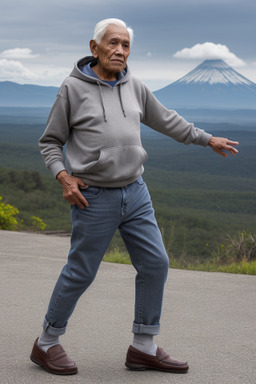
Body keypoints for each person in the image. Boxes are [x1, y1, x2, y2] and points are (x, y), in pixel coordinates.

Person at [30, 18, 239, 375]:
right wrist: (64, 177)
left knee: (156, 263)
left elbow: (167, 120)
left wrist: (207, 139)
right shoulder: (72, 88)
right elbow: (50, 141)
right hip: (93, 196)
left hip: (136, 192)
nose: (120, 51)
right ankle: (46, 342)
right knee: (81, 271)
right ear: (94, 48)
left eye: (126, 45)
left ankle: (143, 346)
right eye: (113, 43)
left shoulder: (135, 86)